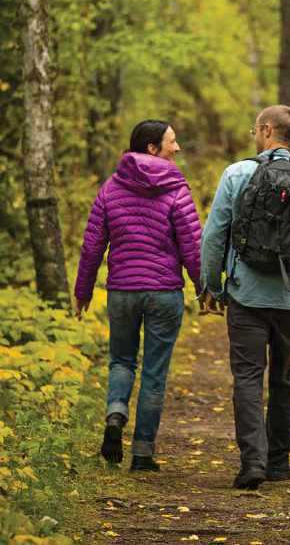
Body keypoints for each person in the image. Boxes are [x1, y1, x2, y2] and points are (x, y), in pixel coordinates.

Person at [200, 104, 290, 490]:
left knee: (247, 377)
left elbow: (214, 236)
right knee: (284, 378)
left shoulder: (236, 173)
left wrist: (211, 286)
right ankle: (279, 461)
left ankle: (253, 463)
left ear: (266, 130)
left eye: (254, 129)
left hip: (245, 295)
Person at [74, 119, 202, 472]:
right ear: (152, 147)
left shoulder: (110, 189)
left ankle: (115, 414)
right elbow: (192, 246)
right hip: (163, 293)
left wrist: (83, 290)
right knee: (154, 374)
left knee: (121, 362)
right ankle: (142, 453)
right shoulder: (176, 188)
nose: (177, 148)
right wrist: (204, 287)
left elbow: (91, 247)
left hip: (122, 292)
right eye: (171, 142)